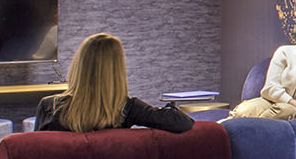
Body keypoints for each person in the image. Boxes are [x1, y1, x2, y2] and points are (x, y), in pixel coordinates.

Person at [34, 33, 193, 134]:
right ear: (117, 71)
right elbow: (183, 123)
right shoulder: (129, 109)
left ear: (79, 66)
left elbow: (34, 153)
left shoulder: (50, 106)